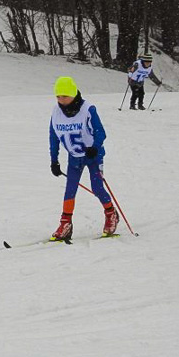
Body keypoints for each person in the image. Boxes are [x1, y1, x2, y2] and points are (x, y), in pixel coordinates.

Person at [49, 77, 119, 240]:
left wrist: (95, 147)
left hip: (93, 156)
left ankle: (111, 213)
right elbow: (53, 136)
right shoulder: (56, 112)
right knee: (70, 189)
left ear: (73, 94)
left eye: (65, 96)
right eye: (58, 96)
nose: (61, 100)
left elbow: (101, 132)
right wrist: (54, 160)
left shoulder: (88, 109)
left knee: (97, 187)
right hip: (74, 158)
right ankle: (65, 223)